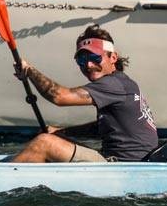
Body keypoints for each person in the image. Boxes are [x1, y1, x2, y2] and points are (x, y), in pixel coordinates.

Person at [9, 25, 158, 163]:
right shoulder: (121, 83)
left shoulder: (113, 84)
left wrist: (29, 70)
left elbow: (59, 96)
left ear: (113, 58)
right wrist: (60, 132)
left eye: (95, 58)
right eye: (82, 60)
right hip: (121, 161)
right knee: (44, 142)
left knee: (44, 143)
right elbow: (100, 128)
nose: (88, 65)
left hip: (126, 167)